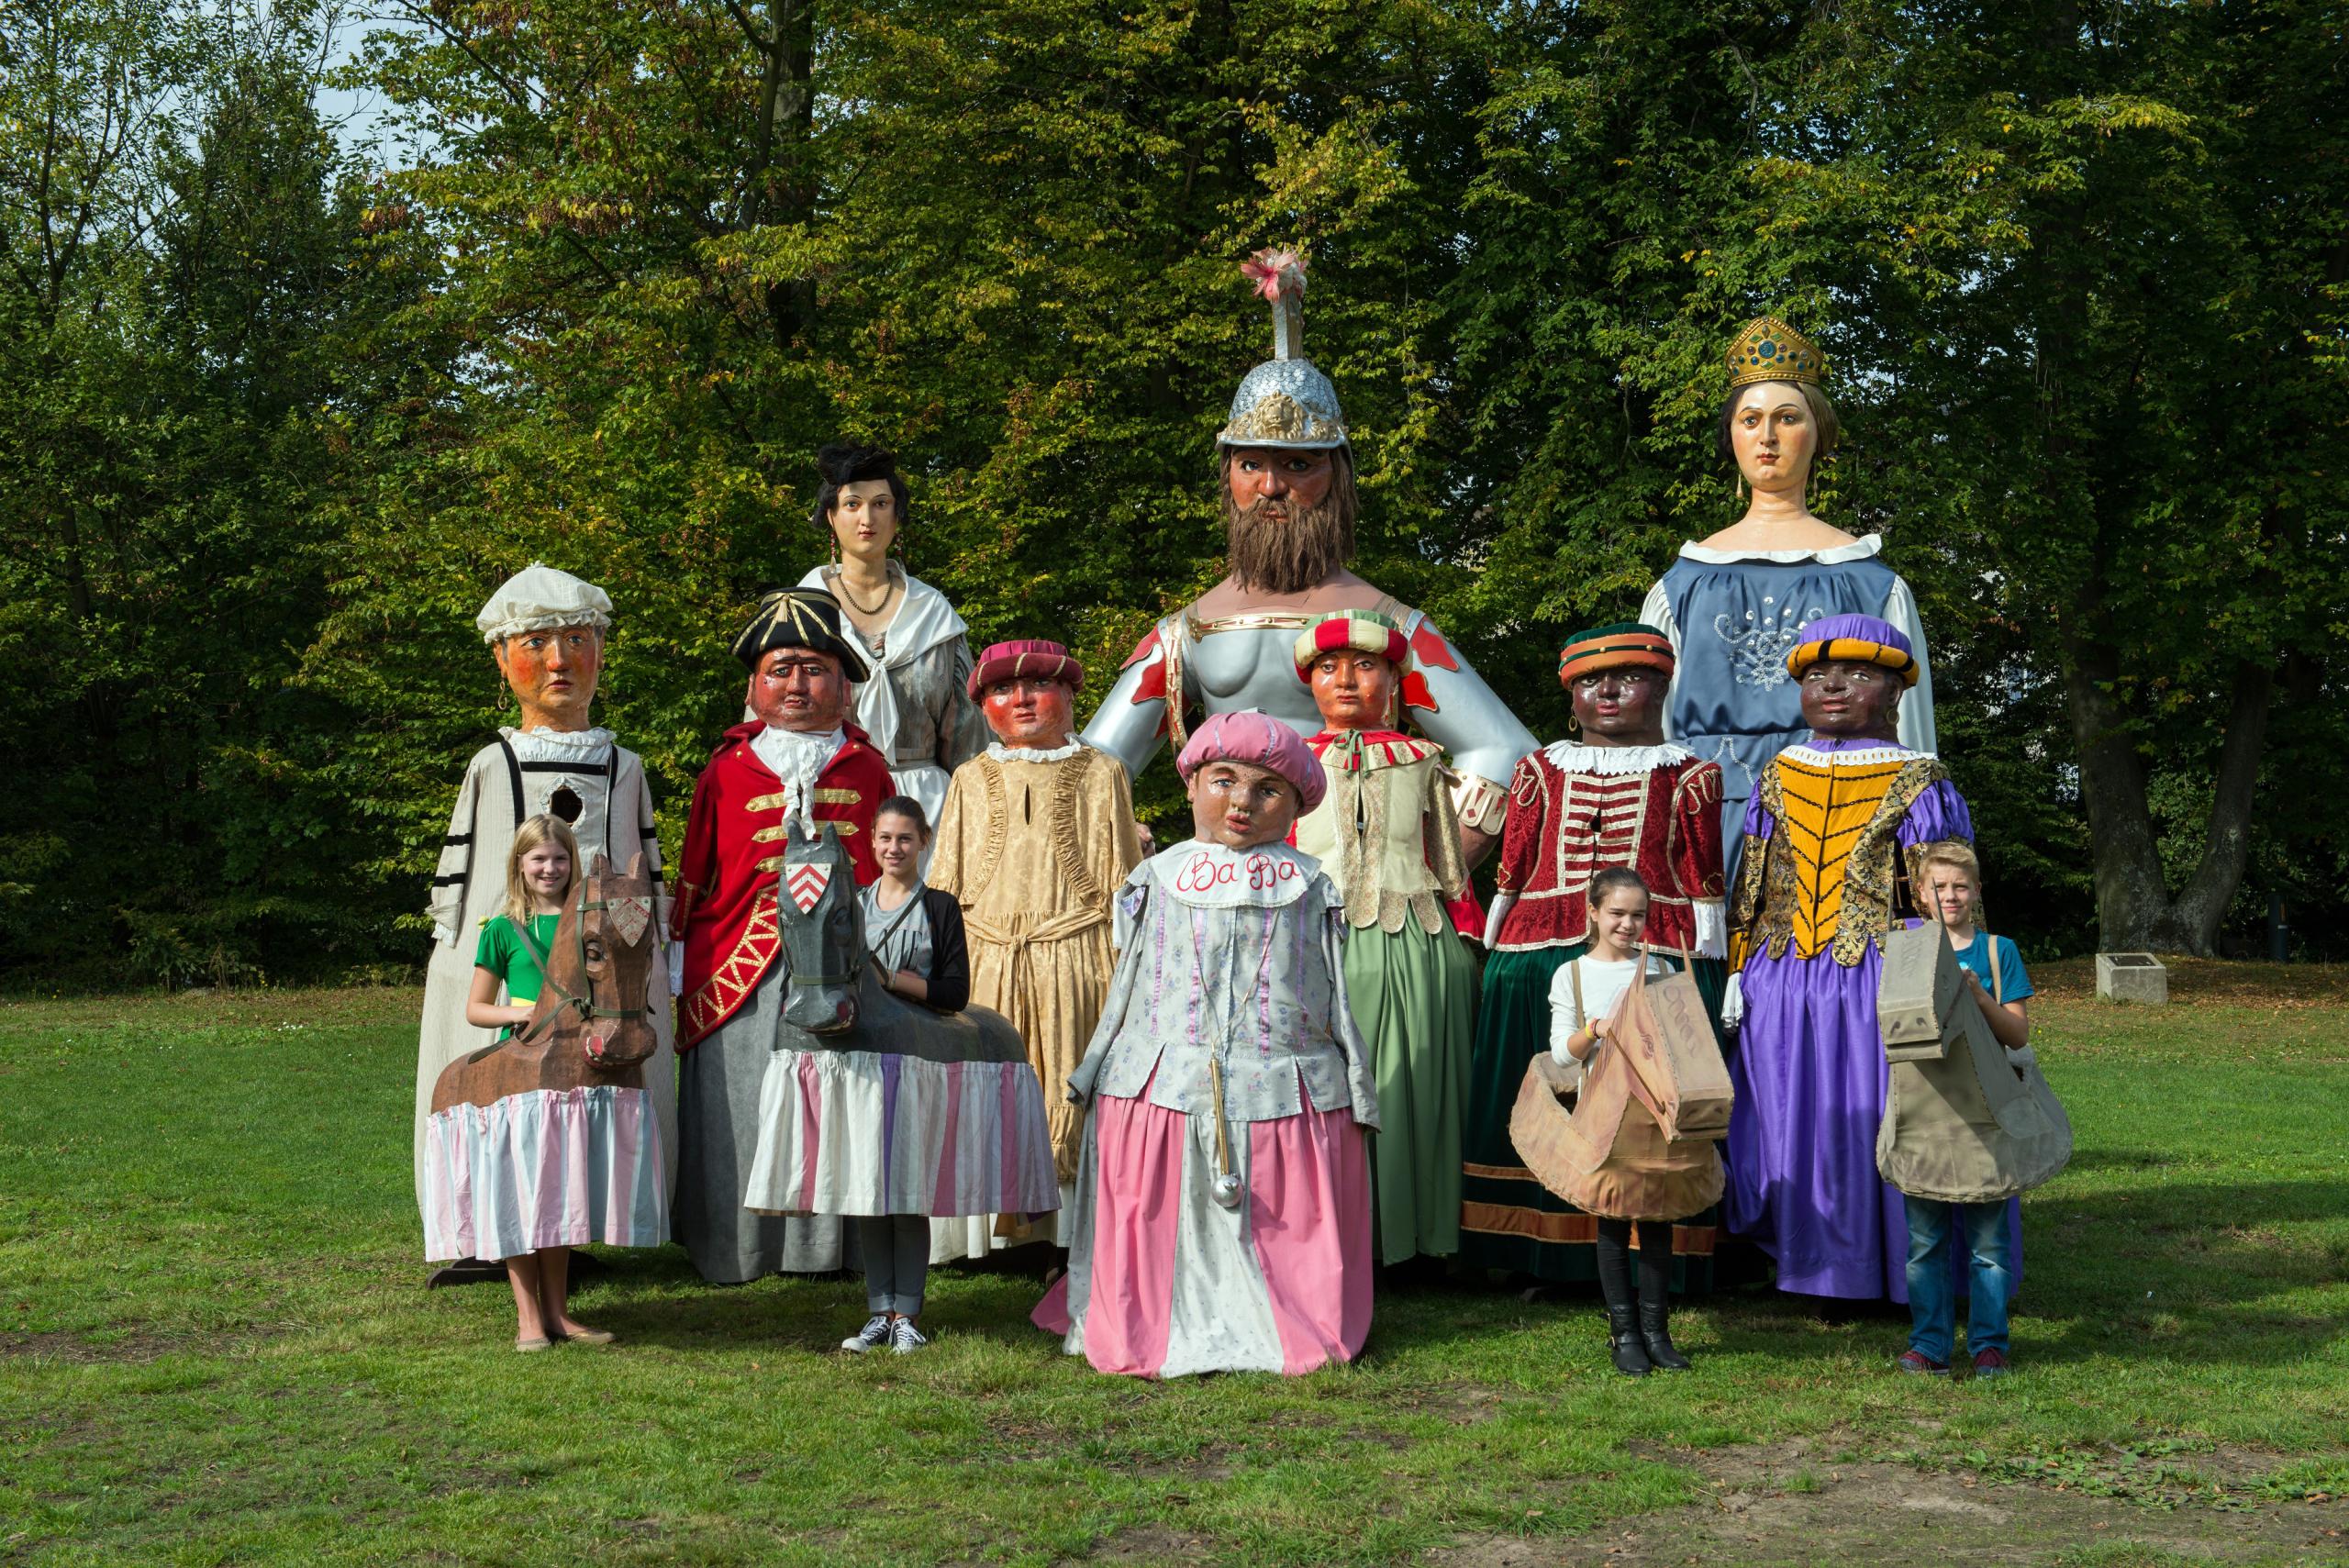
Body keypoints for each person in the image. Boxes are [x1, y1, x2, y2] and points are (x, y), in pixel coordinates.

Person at [1082, 250, 1536, 863]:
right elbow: (1090, 769)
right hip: (1226, 889)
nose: (1271, 486)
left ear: (1338, 474)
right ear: (1228, 475)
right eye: (1252, 464)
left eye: (1297, 464)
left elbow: (1506, 752)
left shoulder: (1391, 626)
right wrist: (1121, 846)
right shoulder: (1186, 631)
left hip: (1355, 900)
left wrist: (1414, 859)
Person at [1036, 711, 1377, 1377]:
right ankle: (1154, 1311)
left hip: (1282, 1077)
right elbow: (1129, 982)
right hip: (1160, 1077)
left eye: (1266, 789)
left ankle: (1287, 1312)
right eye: (1224, 780)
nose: (1242, 802)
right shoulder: (1157, 877)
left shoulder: (1309, 885)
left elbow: (1331, 994)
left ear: (1295, 805)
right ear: (1192, 785)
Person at [417, 565, 674, 1284]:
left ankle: (597, 1216)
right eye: (536, 642)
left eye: (575, 639)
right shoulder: (492, 764)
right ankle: (491, 1225)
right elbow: (464, 888)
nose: (558, 660)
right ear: (504, 660)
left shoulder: (624, 765)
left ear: (600, 650)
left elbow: (644, 871)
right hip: (516, 973)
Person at [1461, 623, 1726, 1289]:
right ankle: (1535, 1250)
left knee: (1644, 1112)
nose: (1605, 691)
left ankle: (1649, 1256)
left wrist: (1717, 964)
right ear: (1571, 695)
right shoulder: (1539, 770)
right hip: (1533, 956)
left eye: (1626, 678)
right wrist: (1496, 942)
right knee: (1546, 1100)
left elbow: (1704, 881)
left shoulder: (1691, 775)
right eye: (1588, 681)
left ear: (1662, 686)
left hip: (1652, 954)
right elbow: (1514, 871)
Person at [1725, 613, 1972, 1302]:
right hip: (1782, 978)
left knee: (1882, 1115)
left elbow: (1944, 893)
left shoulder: (1921, 779)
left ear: (1896, 691)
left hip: (1879, 980)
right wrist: (1739, 966)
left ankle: (1895, 1271)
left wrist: (1955, 974)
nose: (1832, 685)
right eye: (1816, 674)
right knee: (1788, 1121)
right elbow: (1754, 880)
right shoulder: (1778, 773)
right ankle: (1806, 1264)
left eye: (1859, 673)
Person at [1640, 317, 1936, 862]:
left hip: (1844, 822)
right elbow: (1650, 738)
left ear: (1818, 433)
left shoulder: (1871, 582)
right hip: (1705, 827)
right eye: (1751, 420)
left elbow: (1910, 736)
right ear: (1732, 436)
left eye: (1787, 418)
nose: (1768, 437)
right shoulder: (1682, 585)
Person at [671, 587, 893, 1283]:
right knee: (738, 1105)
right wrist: (677, 959)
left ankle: (835, 1251)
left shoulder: (868, 767)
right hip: (740, 969)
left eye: (815, 668)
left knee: (837, 1102)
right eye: (780, 669)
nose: (797, 684)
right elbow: (694, 876)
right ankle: (735, 1248)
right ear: (753, 686)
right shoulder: (726, 770)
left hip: (844, 969)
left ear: (845, 684)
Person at [927, 639, 1143, 1260]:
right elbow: (944, 882)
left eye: (1037, 686)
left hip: (1074, 954)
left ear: (1071, 697)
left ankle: (1066, 1233)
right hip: (987, 959)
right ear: (985, 707)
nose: (1019, 699)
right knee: (987, 1088)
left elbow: (1125, 881)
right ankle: (982, 1231)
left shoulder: (1104, 772)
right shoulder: (969, 777)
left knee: (1069, 1087)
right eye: (1001, 690)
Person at [1289, 609, 1474, 1268]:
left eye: (1365, 665)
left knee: (1410, 1084)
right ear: (1310, 682)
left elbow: (1450, 866)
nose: (1346, 680)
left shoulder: (1424, 758)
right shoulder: (1288, 761)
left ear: (1393, 678)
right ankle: (1330, 1236)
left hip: (1415, 944)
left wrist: (1472, 941)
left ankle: (1416, 1236)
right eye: (1329, 668)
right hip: (1315, 946)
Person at [438, 814, 664, 1349]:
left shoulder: (590, 920)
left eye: (560, 858)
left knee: (558, 1196)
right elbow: (474, 1008)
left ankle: (561, 1313)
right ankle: (527, 1317)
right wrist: (518, 1013)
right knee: (519, 1193)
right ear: (520, 864)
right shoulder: (502, 929)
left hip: (570, 1079)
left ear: (573, 864)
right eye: (538, 858)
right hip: (516, 1073)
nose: (550, 868)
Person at [1544, 868, 1720, 1376]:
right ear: (1593, 912)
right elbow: (1561, 1051)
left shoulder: (1661, 968)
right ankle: (1624, 1335)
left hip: (1654, 1112)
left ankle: (1657, 1333)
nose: (1627, 924)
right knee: (1615, 1219)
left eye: (1638, 915)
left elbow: (1681, 1042)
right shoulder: (1572, 974)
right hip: (1604, 1110)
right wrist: (1597, 1029)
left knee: (1659, 1218)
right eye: (1617, 913)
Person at [840, 797, 974, 1355]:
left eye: (906, 839)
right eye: (885, 838)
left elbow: (955, 991)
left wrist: (891, 981)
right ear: (872, 842)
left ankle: (908, 1314)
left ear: (923, 842)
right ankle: (878, 1312)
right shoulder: (851, 906)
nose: (894, 849)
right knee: (871, 1187)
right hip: (864, 1060)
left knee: (907, 1187)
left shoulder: (940, 908)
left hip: (921, 1057)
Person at [795, 444, 985, 836]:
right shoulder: (800, 615)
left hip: (927, 815)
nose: (867, 518)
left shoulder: (934, 617)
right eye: (852, 504)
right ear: (831, 517)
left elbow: (969, 744)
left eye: (881, 503)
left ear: (898, 515)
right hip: (829, 807)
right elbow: (766, 733)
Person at [1898, 840, 2033, 1379]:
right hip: (1923, 1110)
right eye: (1939, 886)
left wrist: (1978, 994)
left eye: (1960, 886)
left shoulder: (1999, 951)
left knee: (1988, 1242)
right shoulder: (1904, 949)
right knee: (1924, 1241)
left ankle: (1988, 1346)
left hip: (1986, 1114)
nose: (1949, 895)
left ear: (1976, 892)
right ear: (1921, 895)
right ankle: (1929, 1345)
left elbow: (2017, 1033)